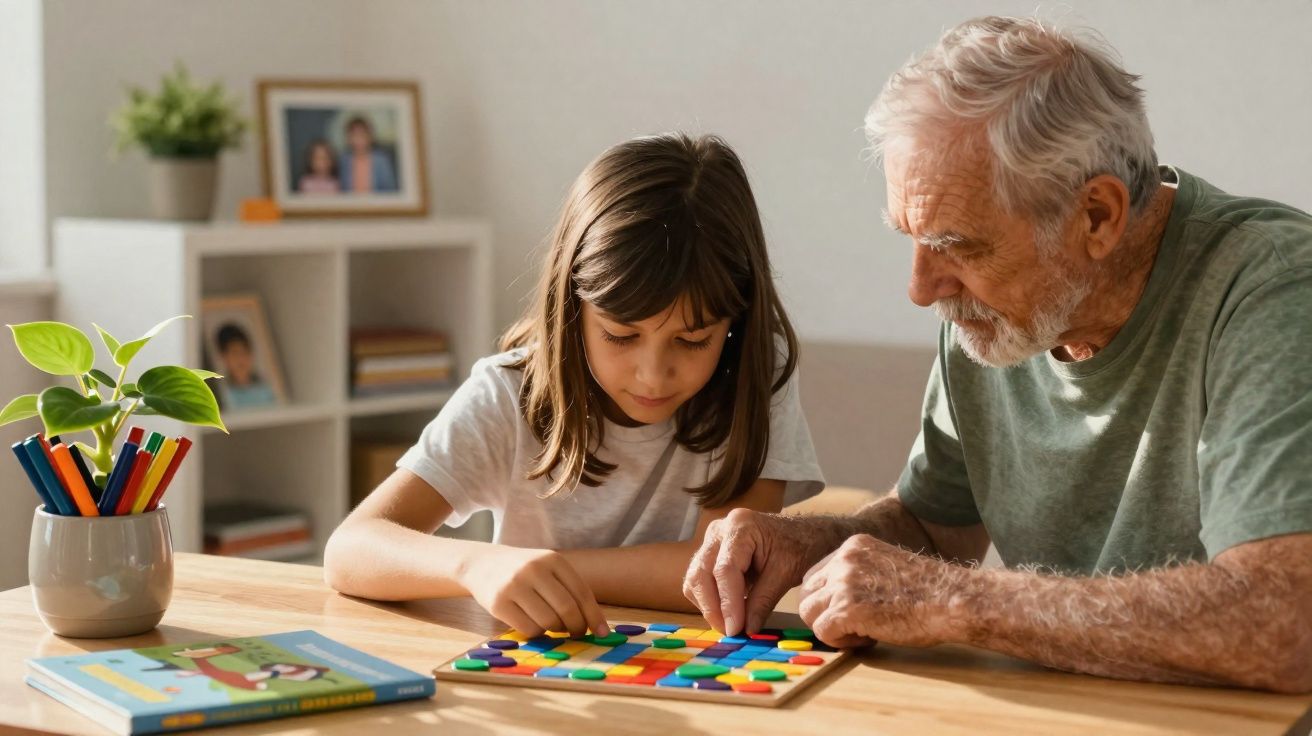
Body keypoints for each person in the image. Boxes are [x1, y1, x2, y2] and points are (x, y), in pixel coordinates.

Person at [683, 16, 1312, 693]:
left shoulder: (1276, 291)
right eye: (913, 239)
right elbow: (934, 524)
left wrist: (959, 602)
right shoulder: (997, 312)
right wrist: (811, 543)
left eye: (957, 245)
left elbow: (1287, 626)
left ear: (1096, 216)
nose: (921, 290)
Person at [324, 133, 824, 638]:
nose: (652, 374)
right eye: (621, 335)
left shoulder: (757, 374)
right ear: (571, 308)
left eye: (693, 340)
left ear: (736, 322)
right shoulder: (509, 392)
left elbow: (716, 572)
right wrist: (477, 567)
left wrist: (547, 569)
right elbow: (351, 549)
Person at [214, 323, 276, 409]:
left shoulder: (265, 389)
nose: (241, 359)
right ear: (224, 357)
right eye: (235, 353)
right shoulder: (221, 393)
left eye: (245, 352)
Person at [337, 116, 398, 193]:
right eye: (353, 135)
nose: (358, 139)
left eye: (362, 135)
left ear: (370, 137)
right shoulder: (344, 159)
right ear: (348, 138)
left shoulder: (381, 160)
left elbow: (390, 189)